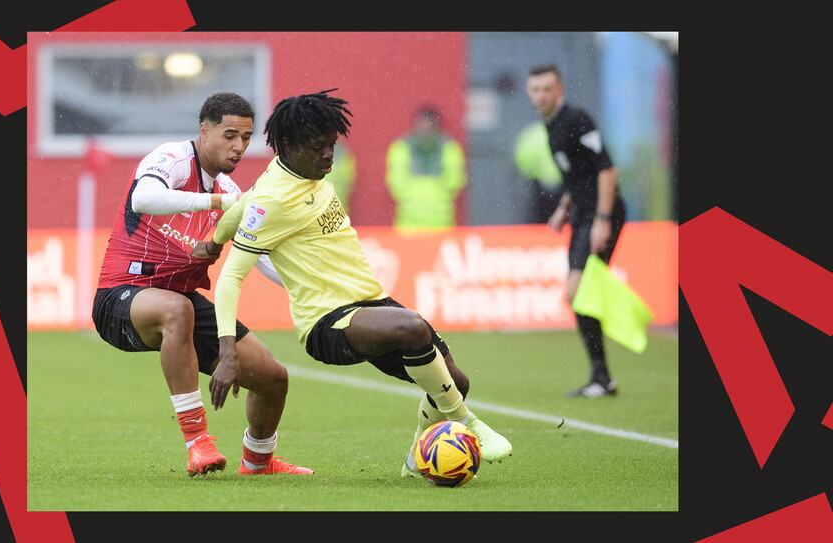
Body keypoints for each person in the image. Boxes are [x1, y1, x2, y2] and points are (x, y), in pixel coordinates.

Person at [195, 89, 512, 480]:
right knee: (412, 327)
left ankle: (417, 460)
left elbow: (240, 206)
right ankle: (470, 423)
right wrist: (228, 353)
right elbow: (231, 277)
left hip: (371, 302)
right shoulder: (275, 199)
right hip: (328, 322)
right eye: (318, 148)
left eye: (331, 145)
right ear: (291, 146)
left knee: (454, 382)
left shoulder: (293, 173)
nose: (328, 155)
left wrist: (211, 241)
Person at [91, 92, 313, 477]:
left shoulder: (231, 194)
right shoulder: (172, 159)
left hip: (183, 303)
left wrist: (316, 290)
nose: (239, 146)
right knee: (175, 310)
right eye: (230, 135)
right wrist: (213, 202)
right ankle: (198, 443)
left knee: (273, 378)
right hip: (120, 296)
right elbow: (143, 198)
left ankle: (258, 462)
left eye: (245, 137)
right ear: (204, 130)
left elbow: (260, 258)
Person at [525, 63, 627, 398]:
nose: (541, 96)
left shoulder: (576, 119)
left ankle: (603, 375)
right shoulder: (552, 127)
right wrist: (563, 208)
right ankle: (602, 377)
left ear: (560, 90)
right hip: (582, 213)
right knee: (579, 293)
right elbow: (579, 175)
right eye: (535, 90)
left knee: (577, 291)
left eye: (547, 89)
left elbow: (606, 169)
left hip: (599, 214)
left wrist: (602, 218)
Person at [385, 104, 467, 230]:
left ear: (437, 127)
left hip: (442, 224)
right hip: (408, 225)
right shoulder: (401, 147)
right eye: (422, 125)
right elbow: (395, 183)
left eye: (429, 126)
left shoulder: (450, 148)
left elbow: (454, 183)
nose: (425, 130)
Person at [513, 121, 563, 224]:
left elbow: (523, 159)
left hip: (540, 185)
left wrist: (529, 173)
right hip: (562, 184)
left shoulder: (533, 134)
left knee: (538, 219)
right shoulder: (562, 131)